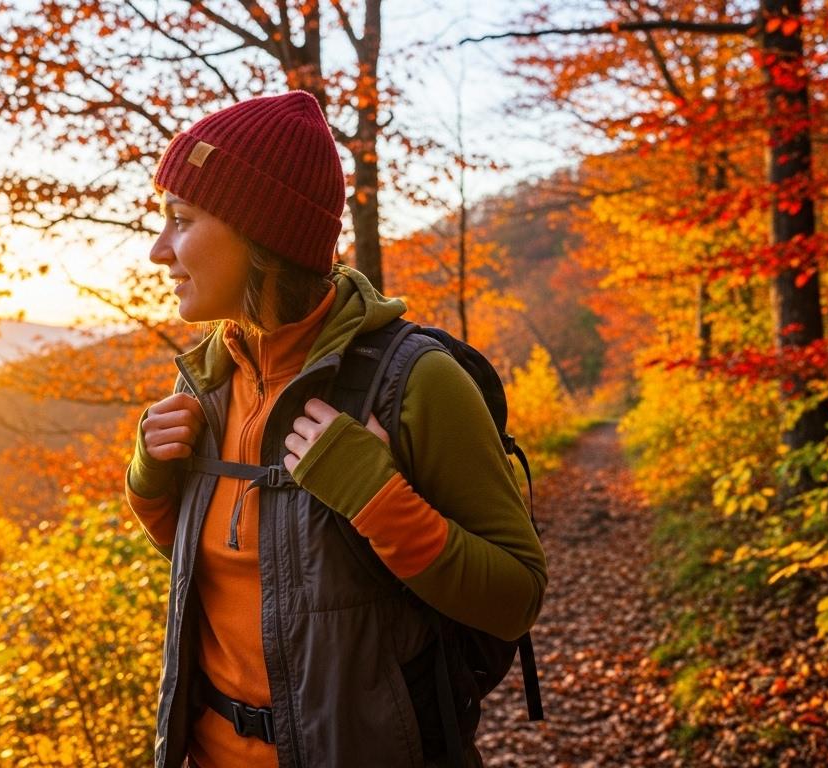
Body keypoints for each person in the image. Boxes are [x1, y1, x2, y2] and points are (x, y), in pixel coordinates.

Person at [124, 90, 547, 768]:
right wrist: (149, 484)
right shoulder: (204, 384)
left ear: (257, 230)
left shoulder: (414, 382)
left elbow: (516, 599)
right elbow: (247, 579)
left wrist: (380, 501)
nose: (157, 250)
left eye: (180, 219)